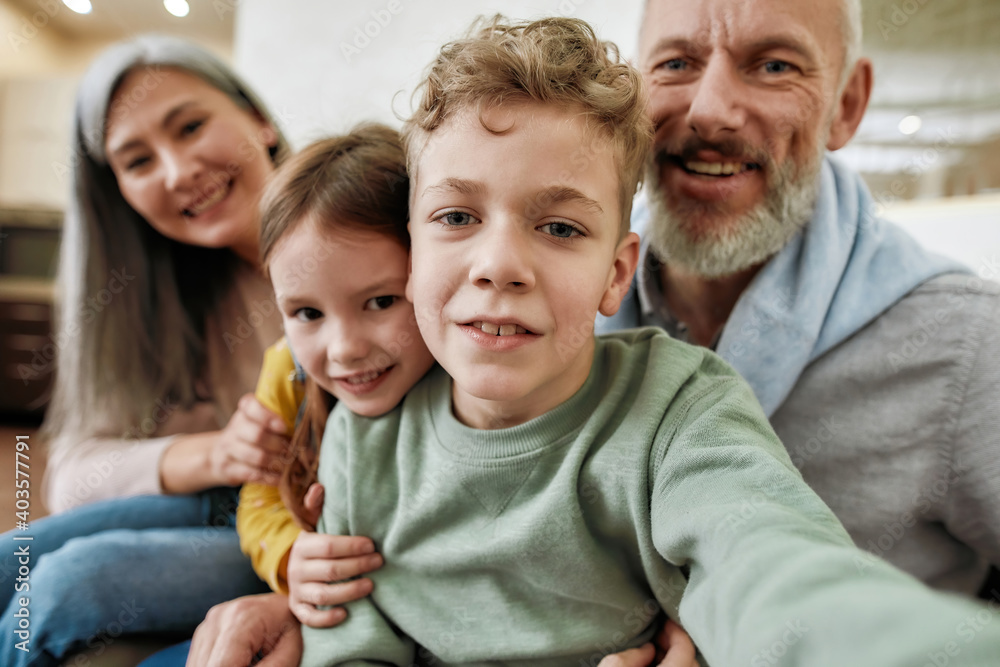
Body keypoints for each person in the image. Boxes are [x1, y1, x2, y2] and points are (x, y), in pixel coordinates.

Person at [297, 15, 1000, 666]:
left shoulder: (681, 405)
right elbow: (349, 630)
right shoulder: (367, 430)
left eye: (775, 64)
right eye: (456, 215)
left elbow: (770, 566)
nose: (500, 263)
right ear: (411, 250)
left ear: (615, 268)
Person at [175, 126, 698, 667]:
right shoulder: (290, 370)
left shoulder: (495, 380)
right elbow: (257, 499)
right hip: (279, 551)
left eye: (381, 301)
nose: (345, 348)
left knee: (94, 576)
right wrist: (290, 555)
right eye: (307, 313)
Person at [599, 0, 1000, 597]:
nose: (709, 112)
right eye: (677, 62)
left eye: (774, 66)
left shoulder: (969, 347)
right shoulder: (554, 314)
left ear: (846, 104)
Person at [0, 35, 332, 666]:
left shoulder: (362, 238)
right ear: (117, 191)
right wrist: (219, 451)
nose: (180, 173)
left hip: (305, 526)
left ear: (259, 119)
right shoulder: (166, 297)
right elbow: (69, 476)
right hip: (234, 505)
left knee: (72, 582)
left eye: (191, 125)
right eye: (137, 161)